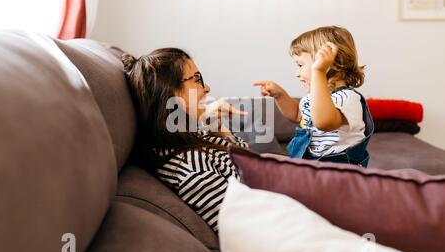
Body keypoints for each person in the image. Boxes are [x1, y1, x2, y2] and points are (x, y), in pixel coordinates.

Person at [122, 48, 247, 233]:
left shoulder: (190, 138)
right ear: (169, 94)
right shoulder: (192, 170)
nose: (207, 88)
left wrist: (217, 126)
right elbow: (248, 227)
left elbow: (248, 161)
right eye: (196, 79)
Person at [254, 26, 373, 166]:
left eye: (300, 65)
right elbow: (298, 115)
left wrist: (319, 72)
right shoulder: (312, 97)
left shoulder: (347, 98)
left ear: (327, 65)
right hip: (311, 161)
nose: (297, 73)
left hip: (339, 168)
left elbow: (324, 123)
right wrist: (280, 95)